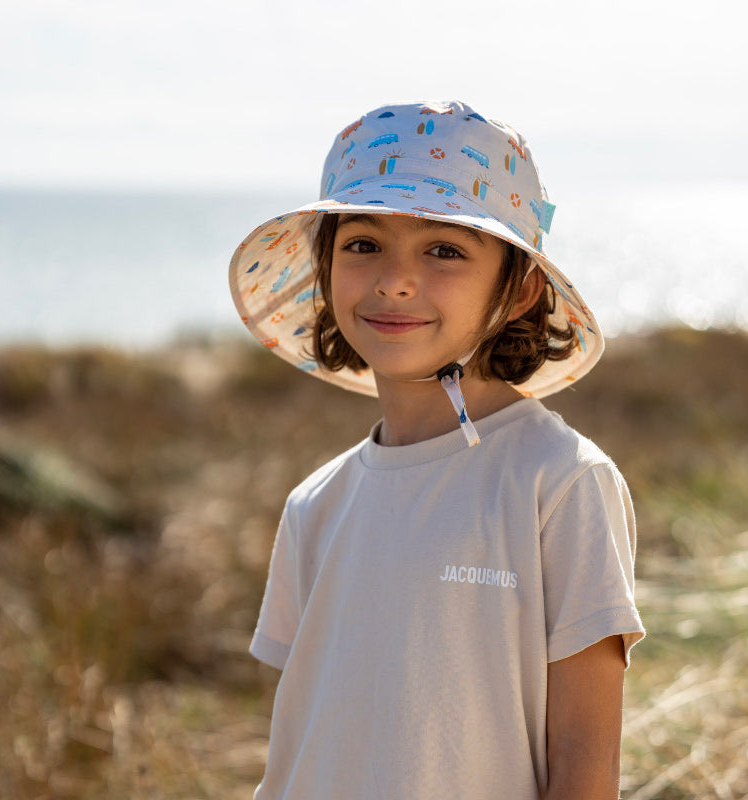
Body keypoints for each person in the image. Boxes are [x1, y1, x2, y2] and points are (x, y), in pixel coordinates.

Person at [229, 100, 645, 800]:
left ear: (520, 291)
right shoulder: (315, 503)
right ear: (326, 270)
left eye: (444, 250)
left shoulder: (560, 482)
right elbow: (304, 745)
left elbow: (584, 766)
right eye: (362, 244)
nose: (395, 278)